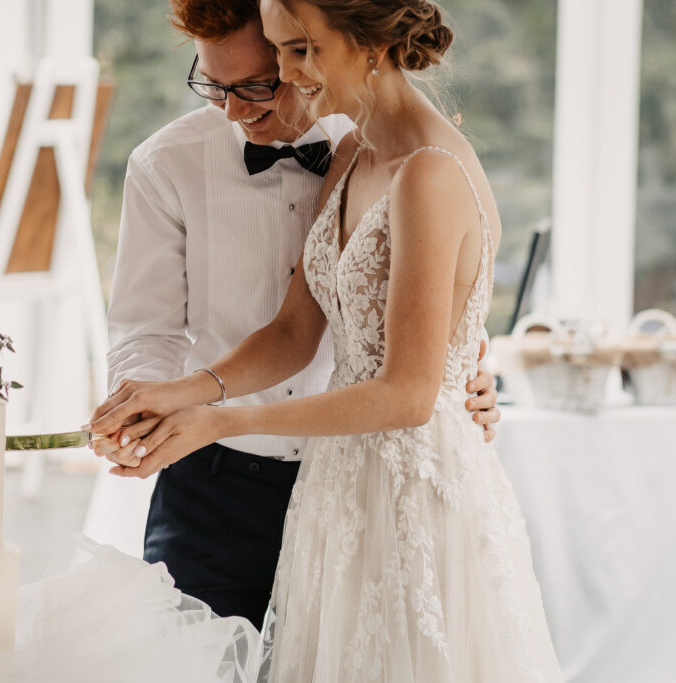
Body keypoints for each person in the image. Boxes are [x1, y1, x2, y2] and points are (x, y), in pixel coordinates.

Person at [89, 0, 564, 680]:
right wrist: (177, 395)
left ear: (365, 43)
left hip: (400, 491)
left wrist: (462, 378)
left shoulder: (426, 168)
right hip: (306, 490)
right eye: (275, 56)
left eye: (294, 54)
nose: (284, 75)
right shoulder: (351, 152)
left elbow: (409, 388)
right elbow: (292, 331)